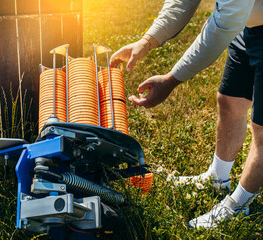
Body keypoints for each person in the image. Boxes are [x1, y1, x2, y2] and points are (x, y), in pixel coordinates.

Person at [110, 0, 263, 228]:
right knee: (229, 101)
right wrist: (147, 41)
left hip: (243, 17)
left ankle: (239, 206)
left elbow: (222, 27)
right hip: (250, 26)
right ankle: (217, 179)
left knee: (261, 131)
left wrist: (171, 80)